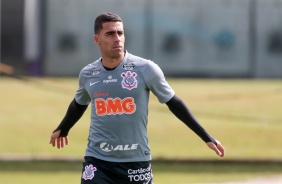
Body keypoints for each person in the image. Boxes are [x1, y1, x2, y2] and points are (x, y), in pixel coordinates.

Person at [49, 12, 225, 184]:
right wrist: (63, 128)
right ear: (97, 39)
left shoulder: (145, 69)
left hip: (136, 162)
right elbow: (79, 104)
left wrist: (207, 137)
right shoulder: (88, 74)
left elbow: (174, 103)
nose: (117, 38)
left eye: (120, 33)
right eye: (110, 34)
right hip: (97, 161)